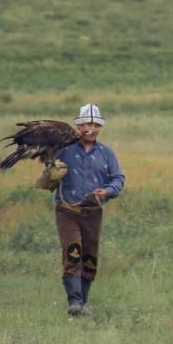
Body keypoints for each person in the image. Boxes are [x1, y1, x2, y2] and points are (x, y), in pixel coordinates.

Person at [53, 103, 124, 317]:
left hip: (93, 212)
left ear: (100, 127)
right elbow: (49, 171)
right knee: (73, 252)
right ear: (79, 126)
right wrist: (51, 173)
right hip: (68, 210)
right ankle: (74, 301)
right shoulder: (64, 151)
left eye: (94, 124)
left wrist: (109, 191)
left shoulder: (106, 153)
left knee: (90, 258)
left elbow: (119, 178)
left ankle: (83, 302)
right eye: (86, 124)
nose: (90, 128)